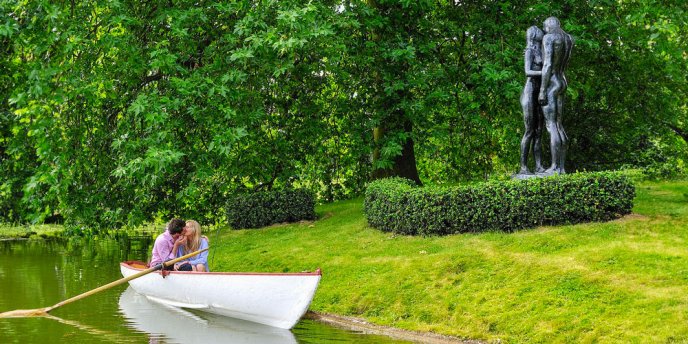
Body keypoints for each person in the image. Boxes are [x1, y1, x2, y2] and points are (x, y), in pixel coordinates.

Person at [538, 16, 573, 174]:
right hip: (562, 80)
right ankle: (561, 167)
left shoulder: (549, 37)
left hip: (551, 82)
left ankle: (554, 167)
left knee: (551, 125)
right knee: (558, 125)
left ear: (548, 26)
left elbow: (547, 64)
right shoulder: (567, 38)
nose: (544, 30)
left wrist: (542, 89)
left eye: (545, 27)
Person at [519, 26, 546, 175]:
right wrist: (544, 72)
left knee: (539, 132)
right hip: (529, 93)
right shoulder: (529, 51)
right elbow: (528, 71)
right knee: (529, 130)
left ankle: (538, 166)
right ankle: (523, 166)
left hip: (539, 93)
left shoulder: (542, 52)